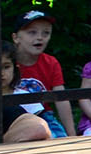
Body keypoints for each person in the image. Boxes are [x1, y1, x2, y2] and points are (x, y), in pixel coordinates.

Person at [9, 9, 75, 138]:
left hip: (43, 115)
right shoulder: (6, 64)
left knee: (58, 140)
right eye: (32, 32)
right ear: (16, 38)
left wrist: (71, 134)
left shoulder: (51, 63)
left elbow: (61, 98)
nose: (40, 37)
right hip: (13, 116)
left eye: (46, 33)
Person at [0, 48, 53, 144]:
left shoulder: (24, 96)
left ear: (15, 68)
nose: (1, 73)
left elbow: (39, 129)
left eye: (6, 67)